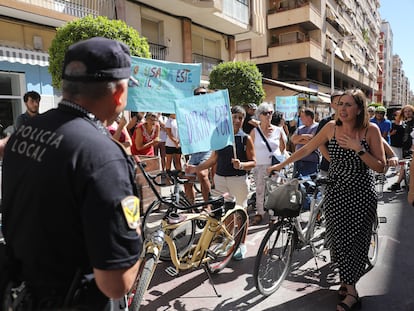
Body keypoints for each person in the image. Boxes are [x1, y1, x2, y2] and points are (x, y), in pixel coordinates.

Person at [1, 37, 143, 309]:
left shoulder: (22, 134)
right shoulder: (104, 156)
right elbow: (116, 283)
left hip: (20, 294)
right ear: (119, 93)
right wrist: (137, 241)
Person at [268, 89, 385, 311]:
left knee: (355, 243)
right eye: (340, 104)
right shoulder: (331, 128)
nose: (342, 108)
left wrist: (358, 149)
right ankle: (346, 282)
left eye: (348, 104)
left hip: (360, 194)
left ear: (359, 108)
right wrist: (280, 165)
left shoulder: (370, 130)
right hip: (335, 193)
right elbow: (306, 149)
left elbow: (380, 166)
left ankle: (352, 293)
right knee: (339, 243)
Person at [186, 105, 256, 260]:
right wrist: (195, 168)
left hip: (238, 180)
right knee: (228, 214)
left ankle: (241, 244)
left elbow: (253, 162)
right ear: (228, 118)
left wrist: (242, 165)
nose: (237, 120)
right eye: (234, 116)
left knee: (241, 213)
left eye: (240, 117)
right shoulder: (219, 137)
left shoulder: (246, 138)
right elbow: (213, 159)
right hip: (220, 179)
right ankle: (230, 241)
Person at [250, 103, 285, 226]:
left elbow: (282, 147)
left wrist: (278, 161)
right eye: (266, 113)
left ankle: (273, 215)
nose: (269, 115)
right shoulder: (254, 131)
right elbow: (250, 149)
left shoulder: (278, 130)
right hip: (259, 165)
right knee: (260, 190)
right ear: (259, 115)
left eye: (271, 112)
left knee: (273, 191)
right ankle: (260, 213)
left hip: (274, 166)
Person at [184, 87, 212, 204]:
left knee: (202, 174)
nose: (200, 96)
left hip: (207, 149)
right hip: (195, 151)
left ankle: (207, 205)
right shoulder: (190, 112)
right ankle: (191, 205)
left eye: (203, 93)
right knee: (187, 180)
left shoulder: (212, 110)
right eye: (197, 94)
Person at [316, 91, 343, 176]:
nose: (341, 106)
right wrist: (332, 162)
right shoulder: (326, 122)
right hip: (328, 167)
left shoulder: (353, 122)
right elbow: (319, 144)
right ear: (332, 105)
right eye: (338, 103)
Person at [388, 105, 414, 191]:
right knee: (404, 164)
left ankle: (398, 183)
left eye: (409, 111)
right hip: (405, 147)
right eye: (405, 111)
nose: (407, 113)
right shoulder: (404, 123)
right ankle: (399, 183)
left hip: (412, 146)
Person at [291, 108, 320, 177]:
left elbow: (314, 142)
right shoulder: (300, 128)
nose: (300, 119)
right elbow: (293, 140)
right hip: (298, 160)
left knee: (309, 183)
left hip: (310, 161)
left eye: (302, 117)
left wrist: (299, 140)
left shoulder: (317, 127)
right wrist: (303, 136)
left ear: (309, 117)